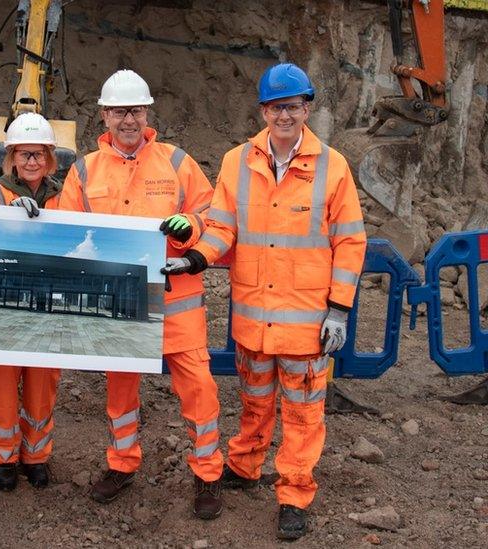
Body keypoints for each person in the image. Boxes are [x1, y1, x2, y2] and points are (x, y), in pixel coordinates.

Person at [162, 62, 366, 539]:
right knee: (254, 401)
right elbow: (223, 226)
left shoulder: (332, 166)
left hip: (306, 323)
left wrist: (338, 309)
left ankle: (294, 493)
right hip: (253, 318)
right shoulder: (238, 161)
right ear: (263, 110)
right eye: (276, 107)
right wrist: (196, 259)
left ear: (306, 108)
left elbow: (351, 241)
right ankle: (247, 464)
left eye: (293, 106)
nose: (285, 116)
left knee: (302, 412)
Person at [60, 69, 224, 519]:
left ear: (147, 112)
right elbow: (65, 229)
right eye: (119, 111)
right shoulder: (83, 170)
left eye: (135, 110)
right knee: (120, 394)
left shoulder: (175, 162)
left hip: (177, 302)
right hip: (118, 304)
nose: (127, 119)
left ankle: (208, 473)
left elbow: (212, 212)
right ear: (105, 116)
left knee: (201, 390)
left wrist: (189, 226)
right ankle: (122, 463)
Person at [0, 112, 62, 491]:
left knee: (42, 385)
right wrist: (6, 217)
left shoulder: (64, 197)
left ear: (50, 158)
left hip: (48, 310)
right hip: (2, 311)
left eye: (39, 154)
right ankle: (2, 457)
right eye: (24, 154)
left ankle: (36, 456)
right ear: (10, 158)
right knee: (1, 387)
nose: (32, 162)